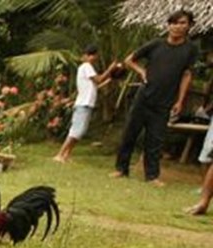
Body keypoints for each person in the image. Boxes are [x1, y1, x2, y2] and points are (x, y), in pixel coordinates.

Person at [111, 9, 199, 186]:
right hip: (144, 96)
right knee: (130, 133)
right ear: (168, 25)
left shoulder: (190, 49)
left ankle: (152, 176)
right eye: (174, 23)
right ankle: (121, 169)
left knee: (155, 139)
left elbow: (187, 75)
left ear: (189, 26)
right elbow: (129, 60)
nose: (177, 27)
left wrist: (180, 101)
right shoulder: (156, 44)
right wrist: (142, 71)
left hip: (165, 101)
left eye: (182, 23)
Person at [53, 45, 120, 163]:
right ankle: (59, 154)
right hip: (83, 104)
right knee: (76, 131)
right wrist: (110, 69)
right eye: (95, 55)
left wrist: (108, 80)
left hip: (87, 103)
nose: (96, 58)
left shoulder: (86, 68)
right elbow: (98, 79)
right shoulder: (86, 66)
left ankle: (66, 155)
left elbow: (95, 86)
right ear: (90, 55)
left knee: (80, 130)